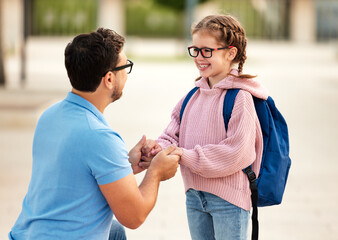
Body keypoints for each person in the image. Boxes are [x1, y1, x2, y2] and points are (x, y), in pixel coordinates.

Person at [9, 28, 180, 240]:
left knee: (114, 231)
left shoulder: (50, 115)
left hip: (26, 234)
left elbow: (75, 175)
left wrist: (125, 164)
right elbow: (134, 216)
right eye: (125, 67)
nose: (126, 74)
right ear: (109, 79)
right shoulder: (100, 137)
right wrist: (156, 172)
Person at [141, 15, 269, 240]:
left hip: (229, 201)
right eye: (195, 50)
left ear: (231, 53)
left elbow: (237, 153)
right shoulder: (191, 97)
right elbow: (172, 136)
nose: (199, 57)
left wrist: (186, 156)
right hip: (194, 196)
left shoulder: (240, 98)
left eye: (207, 51)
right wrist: (158, 148)